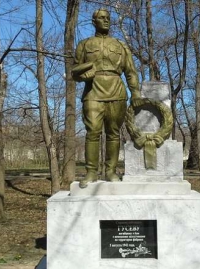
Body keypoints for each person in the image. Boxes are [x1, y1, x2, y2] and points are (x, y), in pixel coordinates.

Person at [72, 8, 141, 188]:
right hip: (92, 91)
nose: (106, 20)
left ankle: (110, 171)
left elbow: (131, 72)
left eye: (108, 18)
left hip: (116, 89)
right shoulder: (84, 44)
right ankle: (91, 172)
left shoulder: (120, 45)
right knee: (93, 131)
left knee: (113, 132)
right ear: (94, 22)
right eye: (101, 18)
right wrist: (82, 76)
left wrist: (135, 92)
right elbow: (75, 71)